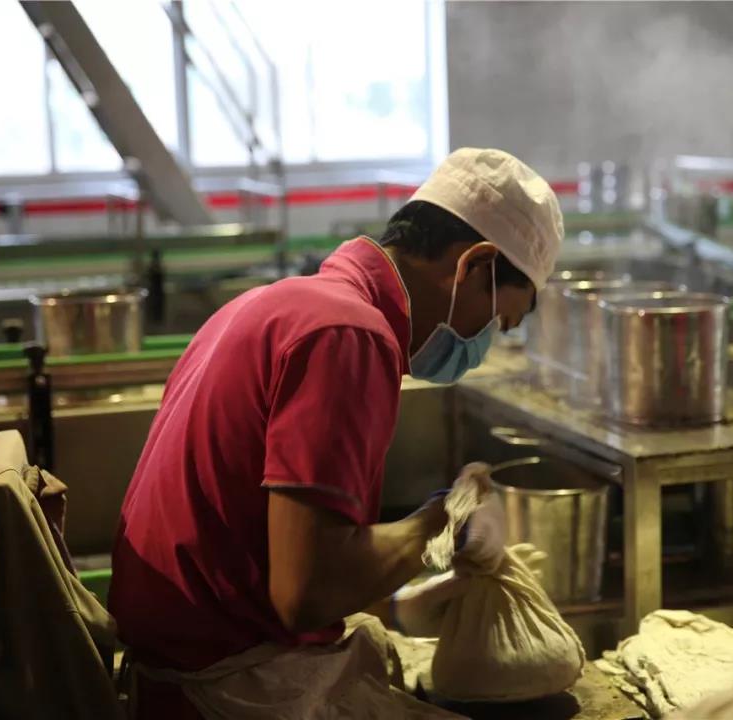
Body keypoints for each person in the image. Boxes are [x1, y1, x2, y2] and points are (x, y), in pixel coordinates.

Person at [108, 148, 564, 718]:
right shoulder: (349, 335)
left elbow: (272, 550)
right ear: (474, 264)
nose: (481, 345)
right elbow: (306, 593)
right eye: (496, 320)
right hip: (226, 693)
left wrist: (398, 603)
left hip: (173, 674)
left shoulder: (276, 305)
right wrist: (446, 522)